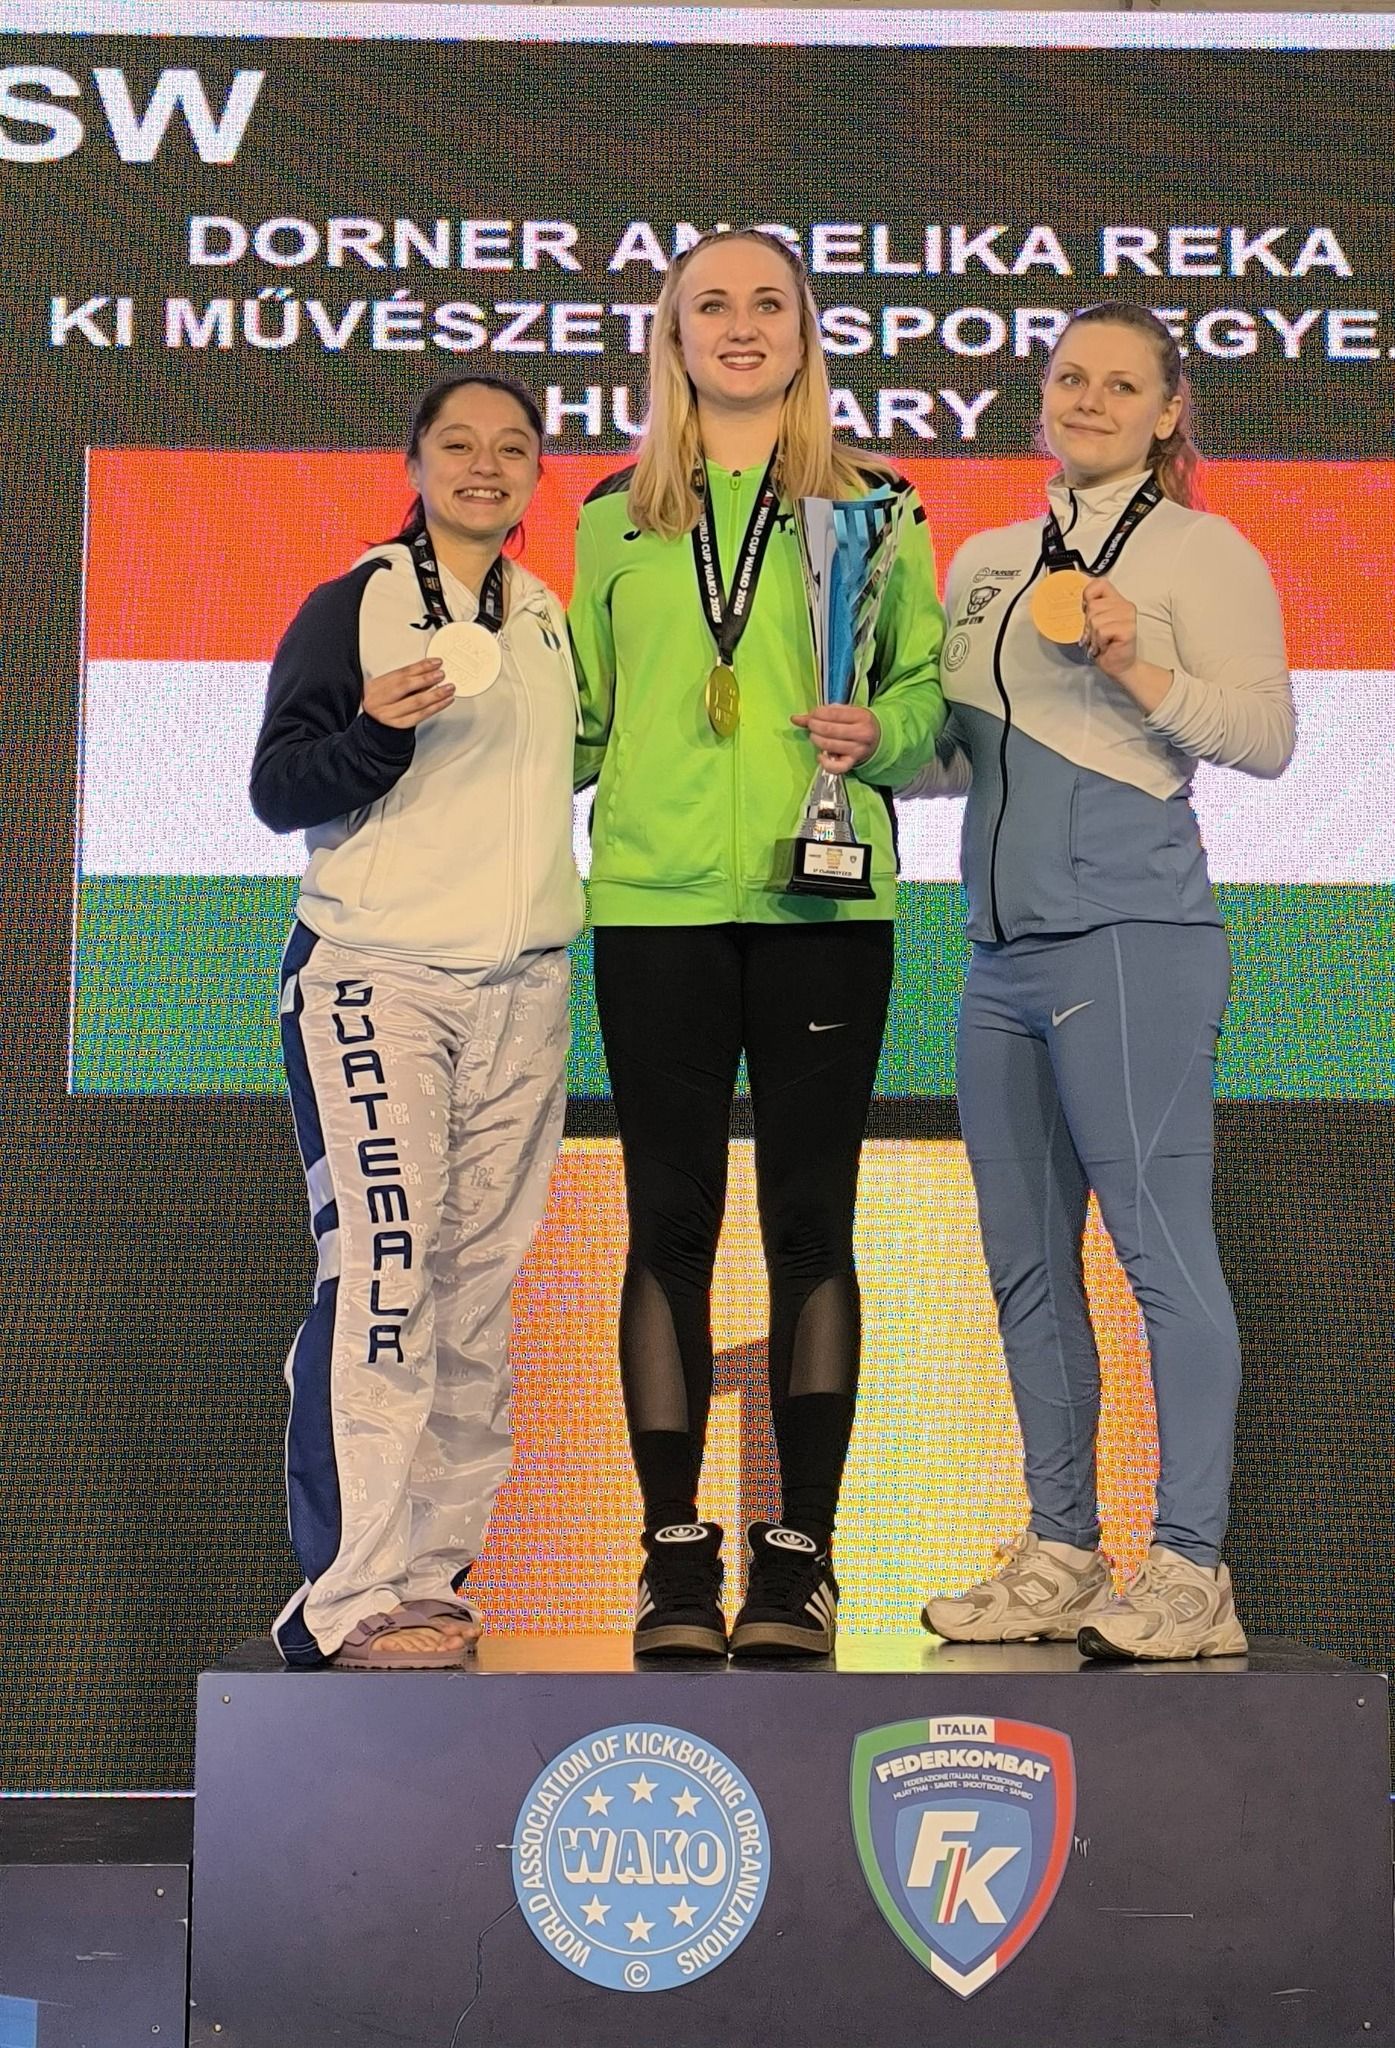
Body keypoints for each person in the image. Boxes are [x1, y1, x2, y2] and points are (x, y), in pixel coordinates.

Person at [569, 226, 946, 1660]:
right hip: (653, 906)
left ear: (805, 333)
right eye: (710, 304)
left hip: (822, 907)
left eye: (768, 303)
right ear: (671, 337)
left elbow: (926, 698)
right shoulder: (612, 517)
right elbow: (582, 720)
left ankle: (801, 1558)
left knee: (810, 1225)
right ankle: (673, 1556)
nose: (741, 326)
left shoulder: (880, 507)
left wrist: (883, 731)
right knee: (667, 1222)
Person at [914, 304, 1295, 1660]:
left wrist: (1135, 656)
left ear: (1167, 410)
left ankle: (1191, 1568)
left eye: (1121, 384)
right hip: (997, 957)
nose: (1090, 400)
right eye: (1071, 377)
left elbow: (1267, 737)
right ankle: (1064, 1551)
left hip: (1134, 940)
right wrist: (875, 744)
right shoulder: (986, 561)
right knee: (1025, 1267)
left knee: (1160, 1256)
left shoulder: (1203, 550)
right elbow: (959, 755)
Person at [249, 375, 582, 1670]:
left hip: (525, 992)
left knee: (475, 1295)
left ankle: (431, 1575)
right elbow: (281, 787)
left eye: (512, 447)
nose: (485, 465)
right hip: (376, 980)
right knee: (384, 1278)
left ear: (537, 472)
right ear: (416, 462)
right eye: (459, 444)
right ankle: (346, 1595)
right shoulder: (354, 603)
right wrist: (376, 736)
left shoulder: (548, 619)